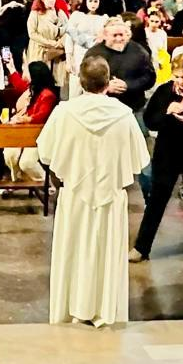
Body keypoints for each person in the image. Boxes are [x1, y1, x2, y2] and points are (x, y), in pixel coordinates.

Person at [37, 56, 149, 326]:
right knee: (105, 253)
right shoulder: (123, 115)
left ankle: (70, 309)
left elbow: (46, 152)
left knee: (74, 252)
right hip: (109, 197)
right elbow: (139, 160)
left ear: (80, 81)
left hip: (76, 194)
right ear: (108, 83)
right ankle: (104, 310)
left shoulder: (65, 112)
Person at [133, 53, 183, 265]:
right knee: (157, 200)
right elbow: (150, 121)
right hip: (168, 153)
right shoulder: (163, 92)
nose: (182, 81)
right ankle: (141, 247)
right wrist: (168, 112)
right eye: (178, 76)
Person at [83, 17, 156, 121]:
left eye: (121, 35)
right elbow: (85, 80)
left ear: (127, 35)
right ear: (105, 35)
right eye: (114, 35)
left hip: (134, 108)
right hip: (102, 109)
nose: (118, 39)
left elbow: (150, 78)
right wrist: (105, 86)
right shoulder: (93, 54)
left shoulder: (139, 51)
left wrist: (128, 85)